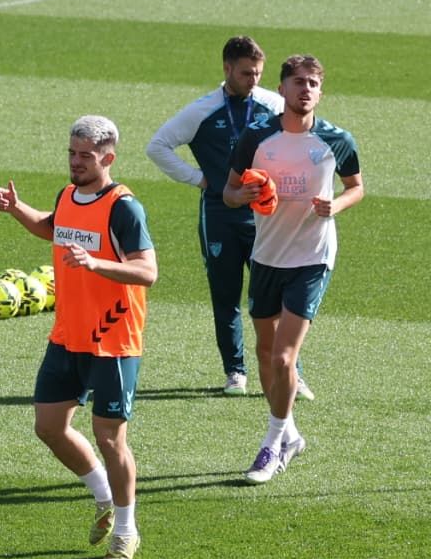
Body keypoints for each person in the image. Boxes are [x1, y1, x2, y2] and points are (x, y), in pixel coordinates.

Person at [0, 115, 158, 559]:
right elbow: (55, 226)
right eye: (71, 152)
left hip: (113, 340)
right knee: (48, 426)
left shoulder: (124, 207)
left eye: (85, 155)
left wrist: (97, 263)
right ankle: (104, 497)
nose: (76, 161)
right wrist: (16, 209)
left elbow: (148, 271)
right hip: (68, 335)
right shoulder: (67, 194)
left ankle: (126, 531)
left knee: (110, 439)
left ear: (108, 157)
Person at [224, 55, 362, 484]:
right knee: (265, 353)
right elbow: (228, 193)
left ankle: (271, 446)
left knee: (284, 356)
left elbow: (356, 187)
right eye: (298, 82)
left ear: (321, 92)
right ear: (281, 89)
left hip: (312, 257)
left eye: (314, 83)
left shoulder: (336, 140)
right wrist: (244, 194)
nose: (306, 89)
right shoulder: (257, 137)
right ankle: (291, 433)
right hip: (267, 255)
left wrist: (334, 205)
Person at [146, 35, 308, 398]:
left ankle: (291, 370)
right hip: (219, 214)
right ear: (227, 69)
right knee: (225, 295)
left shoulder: (272, 104)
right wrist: (200, 180)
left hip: (267, 218)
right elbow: (157, 146)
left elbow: (303, 139)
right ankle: (235, 372)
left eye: (259, 73)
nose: (254, 80)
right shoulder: (202, 110)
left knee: (277, 296)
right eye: (247, 73)